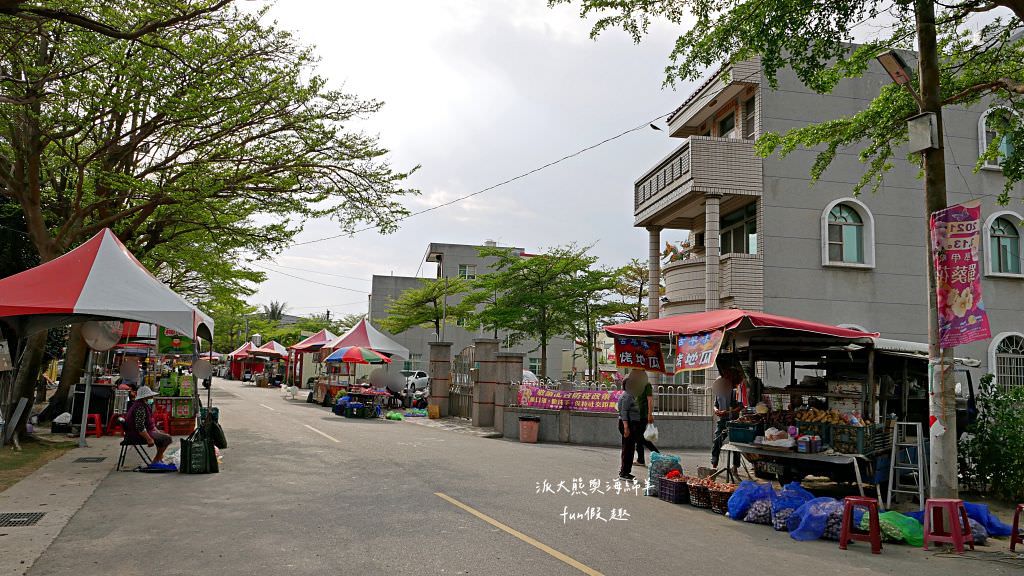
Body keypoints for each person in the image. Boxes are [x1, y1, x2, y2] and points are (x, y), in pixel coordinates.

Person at [616, 370, 651, 481]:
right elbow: (624, 412)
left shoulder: (630, 395)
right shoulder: (626, 396)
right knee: (628, 449)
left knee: (629, 448)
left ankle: (625, 471)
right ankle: (624, 472)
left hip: (631, 424)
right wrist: (626, 427)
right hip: (628, 424)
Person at [124, 385, 172, 465]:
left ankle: (159, 458)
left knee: (163, 435)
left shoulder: (143, 405)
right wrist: (149, 439)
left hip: (142, 431)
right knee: (167, 438)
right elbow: (140, 427)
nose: (152, 397)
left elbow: (150, 423)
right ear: (145, 397)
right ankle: (157, 460)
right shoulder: (140, 407)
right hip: (137, 434)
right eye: (150, 395)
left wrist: (157, 431)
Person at [711, 366, 745, 471]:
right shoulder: (719, 389)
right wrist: (716, 410)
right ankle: (714, 465)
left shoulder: (735, 390)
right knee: (717, 440)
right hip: (722, 421)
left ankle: (735, 467)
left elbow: (741, 406)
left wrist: (730, 411)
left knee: (735, 444)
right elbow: (715, 404)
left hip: (734, 421)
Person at [632, 370, 659, 466]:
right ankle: (641, 460)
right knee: (638, 438)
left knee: (641, 438)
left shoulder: (646, 385)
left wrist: (650, 414)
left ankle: (657, 454)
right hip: (635, 415)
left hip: (643, 415)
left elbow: (650, 400)